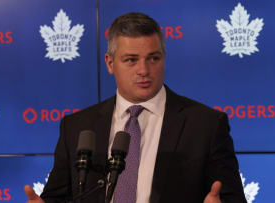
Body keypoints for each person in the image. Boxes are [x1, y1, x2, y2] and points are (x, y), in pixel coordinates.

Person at [25, 12, 246, 203]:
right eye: (131, 60)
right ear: (110, 63)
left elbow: (230, 197)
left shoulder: (205, 125)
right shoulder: (76, 127)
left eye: (153, 58)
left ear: (164, 59)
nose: (144, 70)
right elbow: (59, 197)